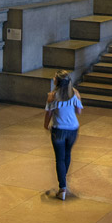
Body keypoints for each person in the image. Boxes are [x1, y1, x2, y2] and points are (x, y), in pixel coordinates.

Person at [44, 70, 83, 200]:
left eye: (54, 77)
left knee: (59, 159)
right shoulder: (75, 94)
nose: (53, 78)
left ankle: (62, 188)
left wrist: (45, 125)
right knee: (67, 155)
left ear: (57, 81)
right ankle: (63, 181)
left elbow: (49, 113)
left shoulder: (52, 96)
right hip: (73, 129)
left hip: (59, 130)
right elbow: (79, 111)